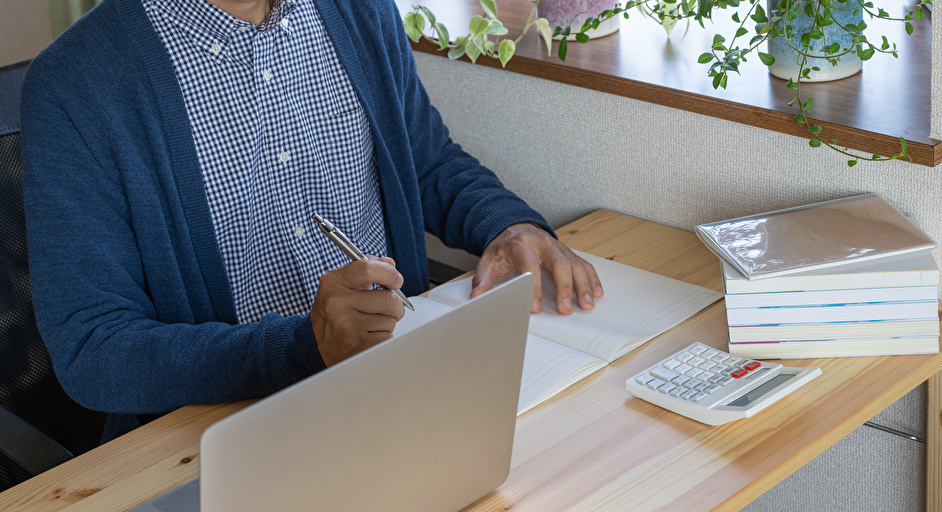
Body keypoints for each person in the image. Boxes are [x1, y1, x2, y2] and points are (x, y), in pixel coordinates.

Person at [21, 0, 603, 440]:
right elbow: (94, 351)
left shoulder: (357, 9)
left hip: (404, 386)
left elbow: (424, 162)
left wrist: (508, 227)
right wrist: (306, 347)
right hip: (225, 435)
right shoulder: (76, 84)